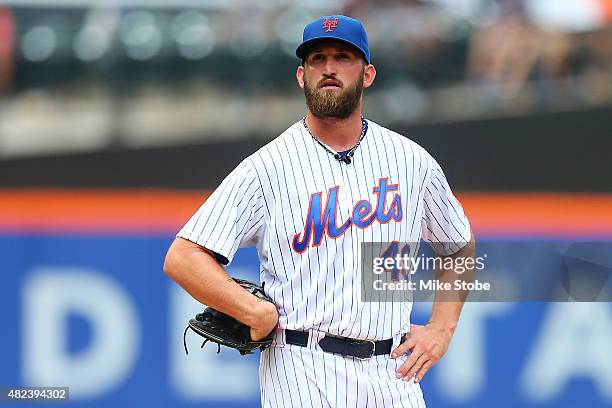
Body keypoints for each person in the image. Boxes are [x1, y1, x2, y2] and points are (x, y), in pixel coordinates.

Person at [164, 14, 475, 408]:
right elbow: (184, 256)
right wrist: (253, 311)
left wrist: (442, 328)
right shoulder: (268, 167)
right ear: (301, 75)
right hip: (302, 366)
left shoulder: (411, 162)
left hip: (393, 373)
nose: (329, 68)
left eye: (343, 57)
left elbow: (458, 248)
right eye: (317, 59)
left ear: (368, 74)